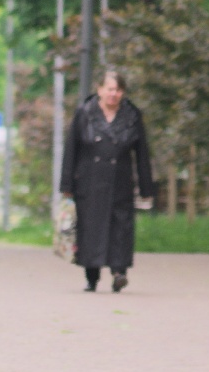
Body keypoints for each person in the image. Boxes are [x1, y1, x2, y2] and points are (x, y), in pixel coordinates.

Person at [60, 70, 155, 293]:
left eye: (118, 90)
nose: (114, 94)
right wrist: (67, 185)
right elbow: (71, 149)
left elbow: (142, 152)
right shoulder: (85, 113)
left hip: (120, 180)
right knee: (91, 228)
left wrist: (146, 187)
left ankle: (119, 272)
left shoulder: (131, 115)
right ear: (100, 90)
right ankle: (91, 276)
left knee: (120, 227)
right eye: (110, 89)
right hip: (89, 181)